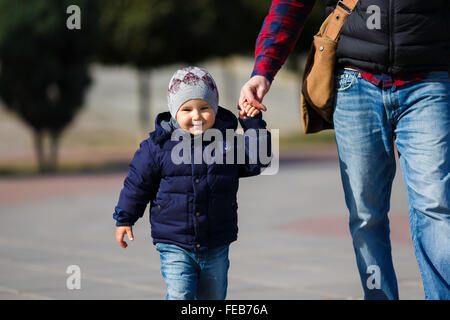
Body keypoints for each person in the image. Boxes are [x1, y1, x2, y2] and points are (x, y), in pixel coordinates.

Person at [239, 0, 450, 299]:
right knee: (366, 215)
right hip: (355, 81)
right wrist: (263, 70)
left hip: (428, 82)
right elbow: (290, 5)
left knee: (436, 206)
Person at [113, 66, 271, 300]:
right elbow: (137, 184)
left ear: (215, 108)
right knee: (181, 294)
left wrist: (252, 124)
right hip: (174, 241)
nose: (196, 116)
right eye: (186, 109)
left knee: (213, 298)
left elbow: (258, 161)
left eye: (204, 108)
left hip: (216, 241)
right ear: (174, 111)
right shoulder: (157, 147)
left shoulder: (227, 143)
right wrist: (125, 218)